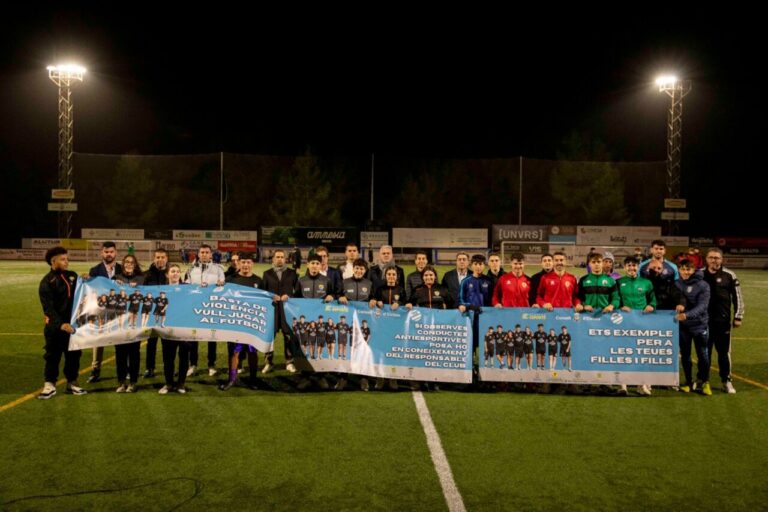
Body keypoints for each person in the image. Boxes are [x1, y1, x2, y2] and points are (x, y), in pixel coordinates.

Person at [37, 247, 86, 399]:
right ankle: (49, 385)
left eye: (67, 258)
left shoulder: (72, 276)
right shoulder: (46, 282)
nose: (67, 261)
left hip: (73, 327)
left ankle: (72, 383)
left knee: (73, 355)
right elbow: (48, 309)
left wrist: (86, 279)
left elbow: (83, 292)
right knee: (53, 356)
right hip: (55, 328)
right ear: (53, 261)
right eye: (63, 259)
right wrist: (61, 324)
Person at [219, 252, 265, 391]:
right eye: (243, 262)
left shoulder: (259, 281)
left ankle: (253, 380)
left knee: (252, 352)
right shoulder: (231, 280)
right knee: (234, 352)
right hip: (236, 323)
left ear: (252, 264)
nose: (245, 265)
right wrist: (219, 286)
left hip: (252, 323)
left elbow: (264, 301)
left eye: (248, 262)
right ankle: (232, 379)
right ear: (238, 263)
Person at [703, 248, 744, 394]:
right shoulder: (699, 274)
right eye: (711, 257)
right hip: (703, 322)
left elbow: (737, 297)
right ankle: (703, 380)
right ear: (706, 259)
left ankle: (726, 380)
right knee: (704, 352)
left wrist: (738, 316)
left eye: (717, 258)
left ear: (722, 259)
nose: (714, 260)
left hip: (722, 322)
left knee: (724, 353)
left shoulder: (729, 275)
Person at [294, 254, 336, 390]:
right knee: (306, 346)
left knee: (320, 346)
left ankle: (321, 375)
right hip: (306, 322)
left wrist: (332, 296)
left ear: (321, 265)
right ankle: (305, 375)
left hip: (321, 322)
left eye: (317, 264)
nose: (314, 266)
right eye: (312, 263)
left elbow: (334, 296)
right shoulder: (301, 281)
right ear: (307, 265)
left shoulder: (327, 281)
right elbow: (296, 300)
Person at [617, 256, 656, 396]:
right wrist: (621, 306)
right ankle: (623, 385)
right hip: (624, 323)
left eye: (634, 266)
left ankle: (641, 385)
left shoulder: (646, 283)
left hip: (642, 322)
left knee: (641, 353)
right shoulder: (619, 282)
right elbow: (615, 300)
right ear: (624, 267)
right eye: (628, 265)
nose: (631, 268)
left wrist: (651, 305)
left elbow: (653, 299)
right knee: (623, 353)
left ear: (638, 267)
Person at [184, 243, 225, 377]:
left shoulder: (218, 269)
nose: (204, 254)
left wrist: (220, 285)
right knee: (193, 337)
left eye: (207, 252)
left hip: (211, 308)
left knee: (211, 337)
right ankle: (193, 364)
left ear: (211, 254)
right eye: (202, 252)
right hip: (195, 308)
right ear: (198, 254)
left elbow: (223, 287)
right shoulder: (191, 270)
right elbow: (186, 288)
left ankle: (211, 365)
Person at [85, 241, 122, 383]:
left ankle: (122, 370)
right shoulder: (94, 270)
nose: (109, 254)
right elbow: (90, 290)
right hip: (101, 311)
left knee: (120, 340)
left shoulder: (122, 268)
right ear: (102, 253)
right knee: (98, 340)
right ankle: (95, 370)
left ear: (116, 252)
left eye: (111, 252)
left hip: (119, 311)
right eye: (106, 252)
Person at [675, 259, 712, 396]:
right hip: (683, 327)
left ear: (694, 270)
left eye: (688, 269)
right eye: (683, 269)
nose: (685, 272)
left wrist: (687, 315)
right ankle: (688, 382)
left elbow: (703, 306)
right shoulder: (676, 283)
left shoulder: (703, 285)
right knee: (685, 355)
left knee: (703, 354)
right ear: (679, 270)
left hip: (699, 325)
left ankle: (705, 382)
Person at [338, 258, 374, 390]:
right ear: (353, 269)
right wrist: (339, 297)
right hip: (348, 322)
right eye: (357, 268)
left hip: (364, 322)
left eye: (362, 269)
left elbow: (374, 297)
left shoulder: (369, 283)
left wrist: (374, 300)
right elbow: (337, 295)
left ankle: (363, 378)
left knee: (363, 350)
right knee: (348, 349)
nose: (359, 271)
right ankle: (343, 378)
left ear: (365, 271)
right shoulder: (345, 282)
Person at [262, 249, 299, 373]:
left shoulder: (292, 273)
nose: (279, 259)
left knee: (288, 336)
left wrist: (289, 296)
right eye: (277, 257)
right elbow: (263, 293)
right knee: (269, 337)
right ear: (273, 259)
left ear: (285, 259)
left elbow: (298, 293)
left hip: (287, 310)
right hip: (272, 310)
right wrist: (270, 296)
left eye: (282, 257)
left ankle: (289, 361)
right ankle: (268, 362)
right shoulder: (266, 274)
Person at [159, 264, 191, 394]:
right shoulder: (161, 289)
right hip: (168, 328)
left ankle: (181, 384)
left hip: (184, 328)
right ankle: (168, 383)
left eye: (178, 271)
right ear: (167, 274)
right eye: (172, 271)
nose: (175, 274)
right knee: (168, 358)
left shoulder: (188, 288)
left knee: (184, 357)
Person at [142, 249, 169, 378]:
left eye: (162, 257)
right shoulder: (146, 275)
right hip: (152, 314)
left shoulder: (171, 274)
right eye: (157, 257)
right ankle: (149, 368)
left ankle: (167, 367)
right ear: (154, 258)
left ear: (166, 258)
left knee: (167, 343)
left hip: (166, 313)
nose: (160, 259)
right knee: (151, 343)